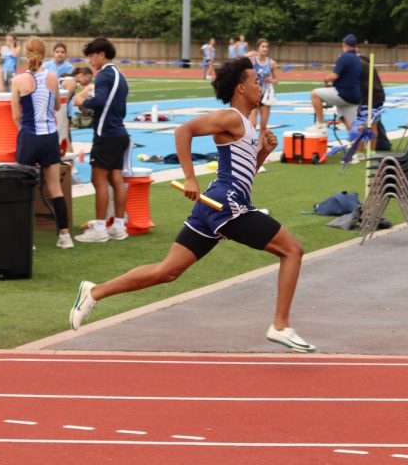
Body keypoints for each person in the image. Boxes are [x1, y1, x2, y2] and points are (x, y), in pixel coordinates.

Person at [69, 55, 313, 352]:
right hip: (226, 205)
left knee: (168, 271)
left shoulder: (247, 125)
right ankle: (281, 325)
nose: (260, 86)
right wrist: (190, 178)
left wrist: (263, 153)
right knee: (293, 250)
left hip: (215, 206)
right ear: (240, 88)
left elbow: (243, 173)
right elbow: (183, 131)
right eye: (255, 81)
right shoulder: (231, 118)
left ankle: (94, 292)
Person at [10, 37, 74, 249]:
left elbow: (16, 114)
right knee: (55, 188)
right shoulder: (53, 77)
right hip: (49, 138)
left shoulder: (19, 80)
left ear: (25, 55)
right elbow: (57, 106)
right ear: (45, 54)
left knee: (23, 189)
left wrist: (25, 128)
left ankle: (26, 237)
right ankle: (65, 236)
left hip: (29, 136)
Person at [74, 37, 130, 243]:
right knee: (117, 180)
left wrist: (82, 101)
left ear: (101, 54)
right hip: (119, 132)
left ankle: (99, 228)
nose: (89, 60)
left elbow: (100, 101)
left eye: (91, 55)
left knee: (98, 181)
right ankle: (118, 226)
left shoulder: (104, 75)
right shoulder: (120, 76)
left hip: (106, 135)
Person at [310, 34, 364, 130]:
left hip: (343, 94)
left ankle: (320, 124)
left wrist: (326, 80)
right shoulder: (358, 59)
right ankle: (357, 143)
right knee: (351, 127)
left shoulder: (344, 57)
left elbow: (334, 76)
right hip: (355, 96)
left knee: (315, 94)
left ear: (344, 44)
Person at [249, 38, 279, 139]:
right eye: (262, 46)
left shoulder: (271, 63)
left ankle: (260, 148)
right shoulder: (252, 61)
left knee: (263, 126)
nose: (265, 49)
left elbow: (276, 79)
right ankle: (251, 145)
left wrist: (272, 79)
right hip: (254, 94)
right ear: (258, 48)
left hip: (266, 95)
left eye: (266, 47)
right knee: (252, 124)